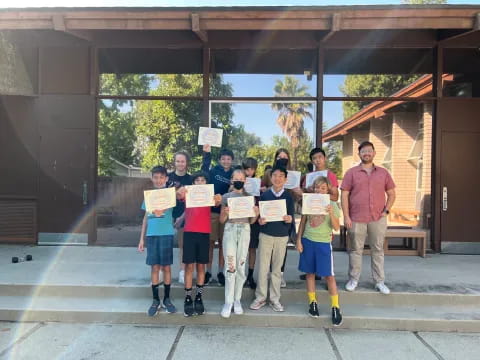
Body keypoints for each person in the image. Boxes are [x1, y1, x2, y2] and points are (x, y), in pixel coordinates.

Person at [341, 141, 396, 295]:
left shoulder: (383, 173)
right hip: (356, 217)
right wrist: (346, 216)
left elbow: (391, 194)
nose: (366, 153)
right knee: (355, 250)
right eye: (363, 151)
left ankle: (379, 281)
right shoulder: (351, 173)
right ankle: (353, 280)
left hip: (377, 218)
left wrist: (386, 211)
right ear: (359, 154)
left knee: (377, 249)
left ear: (374, 153)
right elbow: (344, 194)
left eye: (369, 151)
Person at [296, 176, 343, 326]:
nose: (319, 190)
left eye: (323, 188)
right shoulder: (309, 201)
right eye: (317, 187)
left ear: (328, 189)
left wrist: (330, 212)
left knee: (329, 276)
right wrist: (298, 239)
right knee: (310, 273)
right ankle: (312, 303)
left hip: (323, 243)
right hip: (308, 241)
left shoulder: (332, 204)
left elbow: (336, 227)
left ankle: (335, 307)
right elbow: (303, 221)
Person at [250, 166, 295, 312]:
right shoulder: (265, 196)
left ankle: (275, 299)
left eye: (281, 175)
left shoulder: (288, 197)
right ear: (271, 178)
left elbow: (291, 217)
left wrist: (289, 219)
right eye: (275, 175)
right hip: (266, 235)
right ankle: (261, 297)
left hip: (282, 237)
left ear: (285, 179)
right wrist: (260, 221)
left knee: (276, 270)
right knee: (263, 268)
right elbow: (260, 217)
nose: (278, 178)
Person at [176, 172, 222, 317]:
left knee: (201, 266)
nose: (200, 182)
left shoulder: (209, 194)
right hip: (189, 232)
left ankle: (199, 297)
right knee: (189, 266)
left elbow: (218, 202)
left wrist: (218, 199)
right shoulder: (188, 192)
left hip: (204, 233)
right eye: (197, 180)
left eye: (203, 180)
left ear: (206, 183)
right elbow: (179, 195)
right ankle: (188, 297)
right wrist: (180, 191)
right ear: (193, 182)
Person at [219, 169, 259, 318]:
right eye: (236, 178)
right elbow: (222, 220)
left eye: (241, 178)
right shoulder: (226, 197)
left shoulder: (249, 197)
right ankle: (228, 301)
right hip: (230, 230)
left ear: (245, 181)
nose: (238, 180)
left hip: (244, 230)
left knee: (241, 266)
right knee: (231, 266)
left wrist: (256, 213)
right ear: (231, 180)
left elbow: (251, 221)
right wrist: (225, 212)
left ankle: (237, 300)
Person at [138, 166, 177, 316]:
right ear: (152, 179)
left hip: (166, 234)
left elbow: (180, 195)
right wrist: (141, 238)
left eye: (162, 177)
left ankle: (167, 299)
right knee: (154, 268)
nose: (159, 180)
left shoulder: (170, 195)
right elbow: (145, 218)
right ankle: (155, 300)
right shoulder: (149, 196)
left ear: (166, 179)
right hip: (151, 235)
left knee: (166, 268)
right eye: (156, 177)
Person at [299, 147, 340, 281]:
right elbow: (304, 196)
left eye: (320, 157)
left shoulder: (330, 175)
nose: (317, 160)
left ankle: (326, 276)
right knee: (310, 247)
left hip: (325, 217)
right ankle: (312, 273)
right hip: (311, 216)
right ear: (312, 161)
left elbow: (335, 195)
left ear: (324, 158)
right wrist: (308, 191)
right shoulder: (308, 176)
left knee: (323, 249)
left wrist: (322, 199)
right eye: (314, 158)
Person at [263, 148, 302, 288]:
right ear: (275, 158)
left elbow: (297, 197)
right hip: (270, 212)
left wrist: (299, 192)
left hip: (286, 211)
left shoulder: (293, 175)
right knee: (269, 247)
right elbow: (262, 188)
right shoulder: (269, 173)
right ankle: (269, 274)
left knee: (282, 247)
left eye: (285, 157)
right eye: (279, 156)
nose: (282, 159)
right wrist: (263, 189)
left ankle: (280, 274)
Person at [201, 144, 235, 286]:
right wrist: (207, 154)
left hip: (227, 214)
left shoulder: (234, 174)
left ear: (231, 160)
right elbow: (203, 172)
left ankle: (221, 272)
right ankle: (208, 272)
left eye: (228, 159)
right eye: (223, 159)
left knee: (223, 244)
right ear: (220, 160)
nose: (226, 161)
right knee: (210, 244)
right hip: (213, 213)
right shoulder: (214, 171)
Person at [168, 151, 192, 284]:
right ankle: (162, 272)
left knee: (183, 246)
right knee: (166, 245)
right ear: (174, 162)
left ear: (186, 163)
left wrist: (182, 217)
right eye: (178, 161)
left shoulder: (190, 179)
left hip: (184, 216)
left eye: (183, 161)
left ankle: (182, 272)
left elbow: (192, 202)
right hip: (167, 216)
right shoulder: (168, 177)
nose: (180, 163)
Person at [242, 157, 260, 289]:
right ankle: (240, 275)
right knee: (241, 250)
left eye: (252, 169)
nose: (249, 172)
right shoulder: (238, 181)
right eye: (247, 169)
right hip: (240, 218)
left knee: (252, 249)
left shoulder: (257, 183)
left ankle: (250, 275)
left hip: (253, 220)